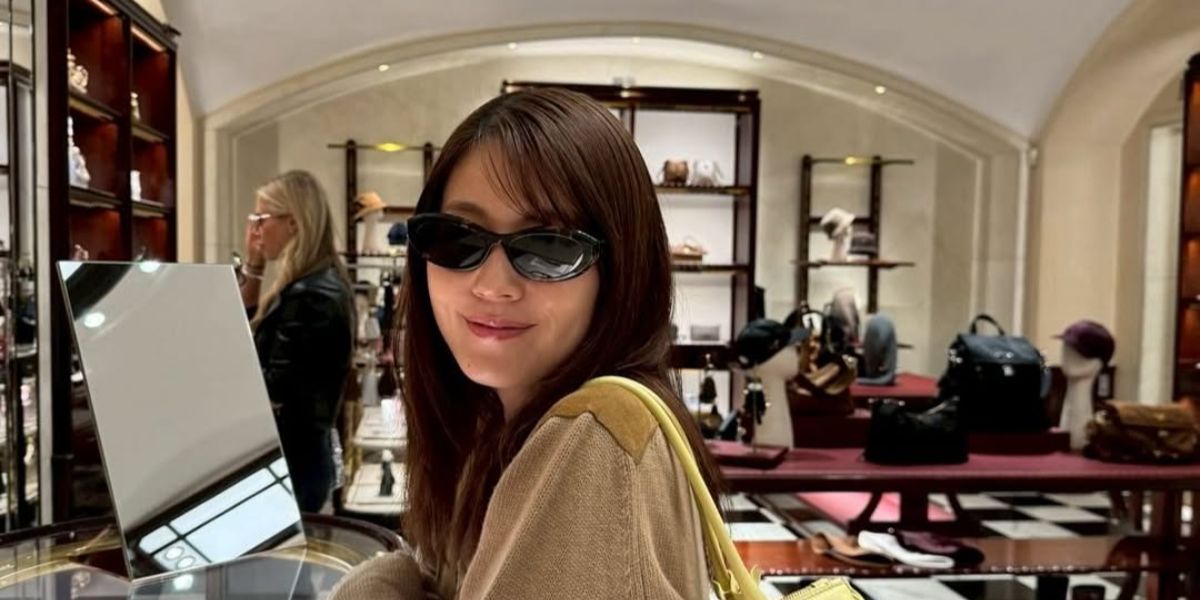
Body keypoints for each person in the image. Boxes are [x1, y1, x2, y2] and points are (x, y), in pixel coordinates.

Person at [330, 88, 722, 599]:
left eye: (548, 246)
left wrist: (380, 583)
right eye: (458, 239)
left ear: (621, 268)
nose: (493, 285)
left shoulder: (593, 440)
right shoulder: (496, 426)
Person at [239, 169, 354, 512]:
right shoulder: (312, 285)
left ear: (292, 223)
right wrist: (254, 265)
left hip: (294, 469)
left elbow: (271, 388)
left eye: (261, 219)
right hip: (299, 464)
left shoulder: (311, 297)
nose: (255, 230)